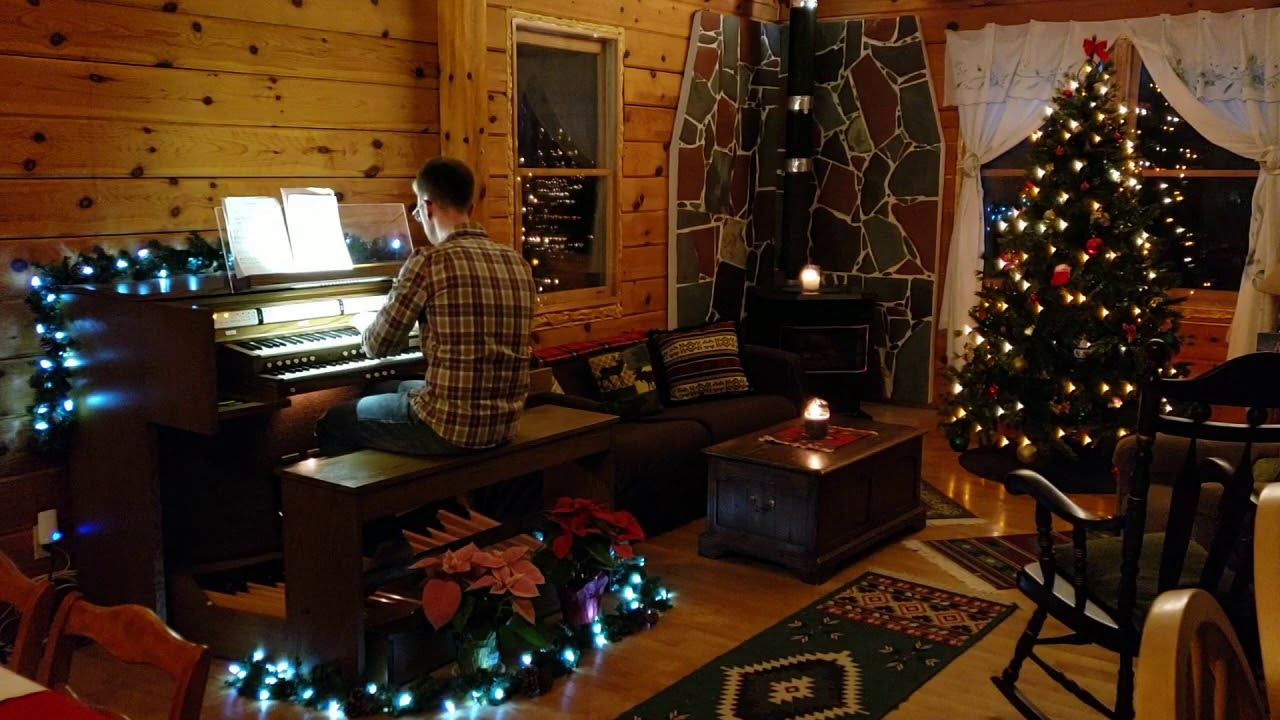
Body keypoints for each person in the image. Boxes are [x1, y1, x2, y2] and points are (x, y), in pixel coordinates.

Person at [316, 157, 537, 456]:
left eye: (418, 212)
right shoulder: (517, 262)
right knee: (380, 390)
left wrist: (363, 323)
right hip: (503, 423)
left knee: (334, 420)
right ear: (469, 208)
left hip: (447, 428)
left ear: (427, 206)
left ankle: (386, 499)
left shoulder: (430, 261)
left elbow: (378, 345)